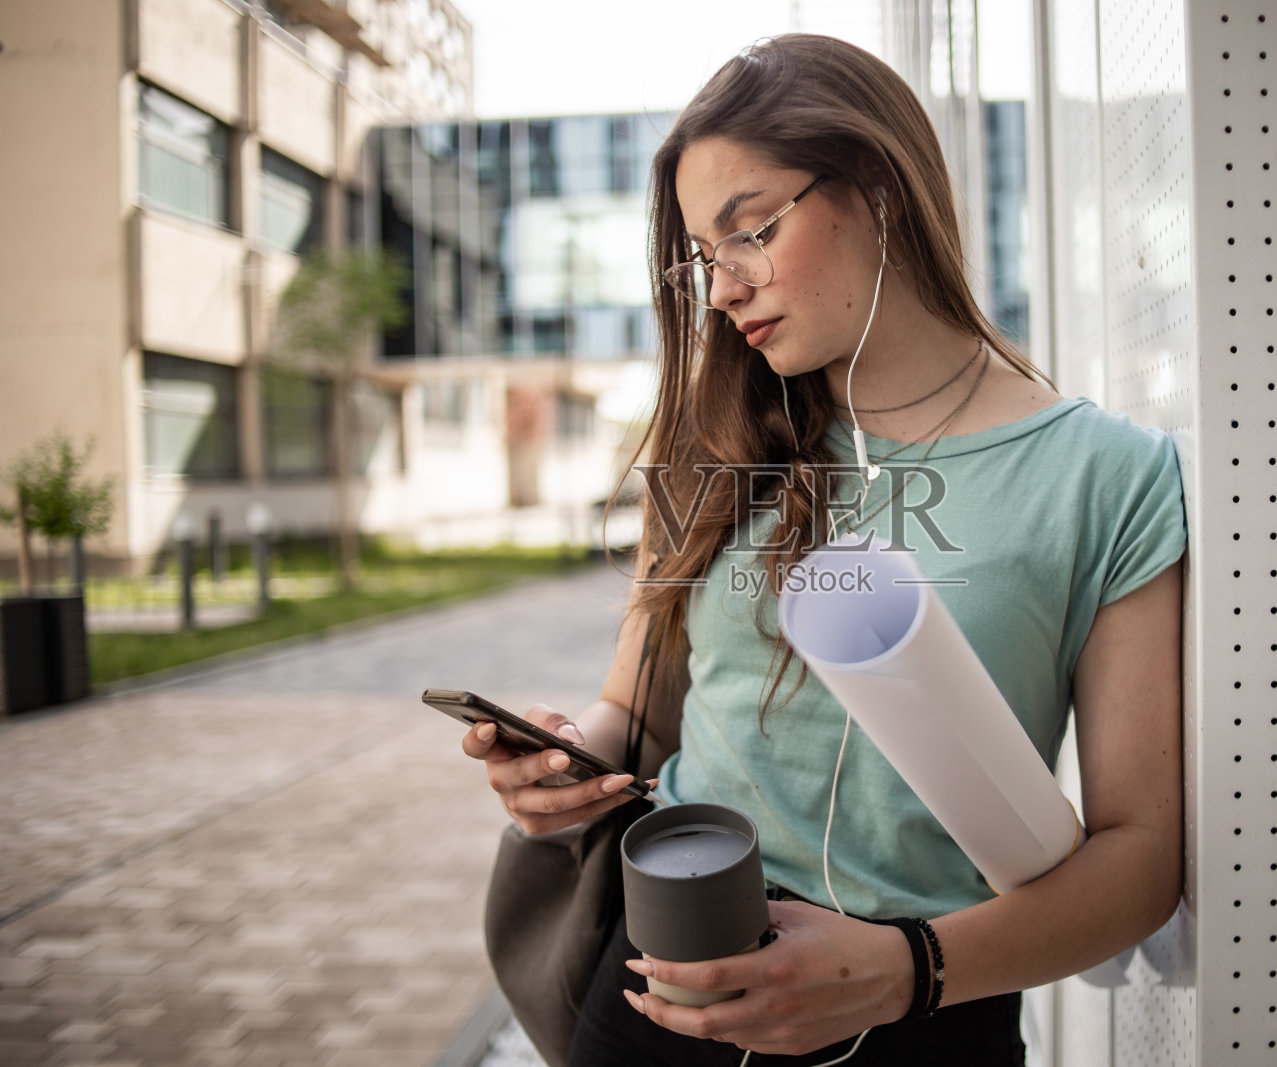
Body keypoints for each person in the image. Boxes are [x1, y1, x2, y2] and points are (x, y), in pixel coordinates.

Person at [462, 33, 1185, 1067]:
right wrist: (566, 761)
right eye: (704, 255)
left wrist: (903, 969)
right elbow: (640, 714)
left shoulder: (1107, 475)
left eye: (750, 231)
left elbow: (1141, 857)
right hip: (662, 991)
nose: (722, 288)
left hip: (928, 1011)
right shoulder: (715, 439)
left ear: (877, 187)